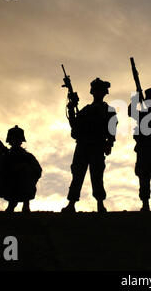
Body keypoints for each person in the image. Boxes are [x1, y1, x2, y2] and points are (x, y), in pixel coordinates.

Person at [61, 78, 117, 214]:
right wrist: (72, 108)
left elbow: (112, 128)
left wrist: (109, 143)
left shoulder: (109, 110)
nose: (99, 93)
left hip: (97, 145)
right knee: (77, 175)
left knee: (97, 175)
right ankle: (71, 203)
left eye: (101, 91)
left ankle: (100, 204)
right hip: (83, 146)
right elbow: (75, 126)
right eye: (97, 90)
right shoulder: (86, 110)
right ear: (93, 92)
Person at [0, 125, 42, 213]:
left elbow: (38, 171)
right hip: (10, 186)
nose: (15, 142)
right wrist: (1, 157)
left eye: (17, 140)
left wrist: (23, 168)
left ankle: (26, 204)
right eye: (13, 140)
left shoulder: (28, 157)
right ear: (9, 142)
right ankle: (11, 204)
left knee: (25, 173)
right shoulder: (6, 156)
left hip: (25, 186)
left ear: (20, 142)